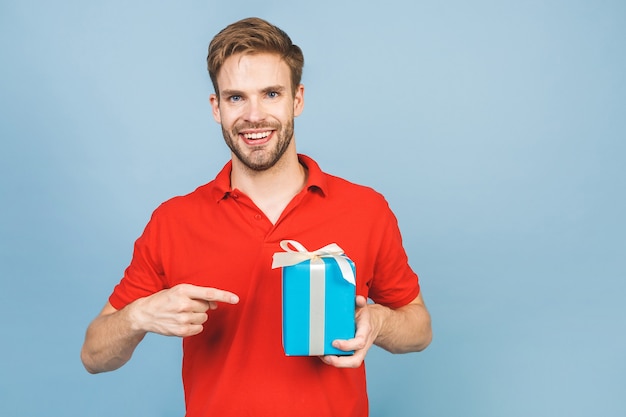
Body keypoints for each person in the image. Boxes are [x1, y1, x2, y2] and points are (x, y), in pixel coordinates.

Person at [81, 17, 432, 416]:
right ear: (216, 107)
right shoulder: (173, 221)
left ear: (297, 99)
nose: (253, 115)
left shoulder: (366, 209)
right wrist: (137, 316)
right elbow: (94, 355)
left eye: (270, 94)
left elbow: (419, 329)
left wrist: (379, 322)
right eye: (235, 98)